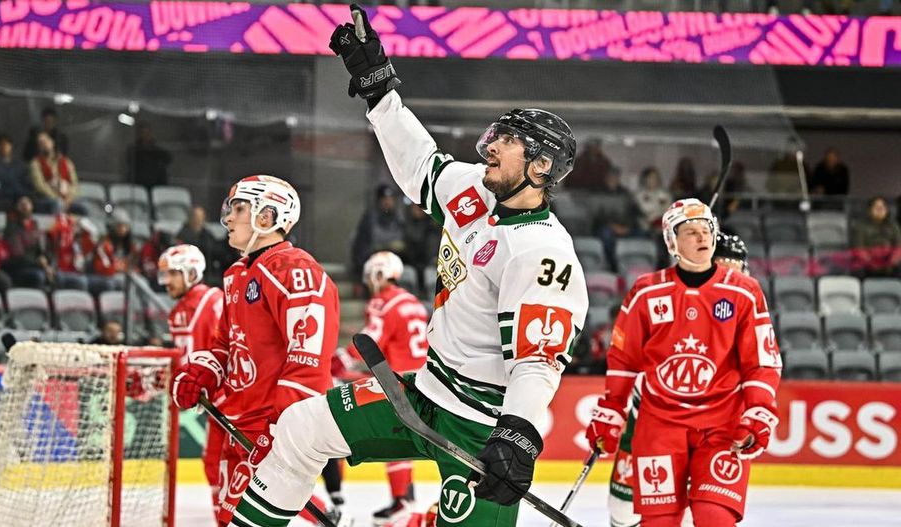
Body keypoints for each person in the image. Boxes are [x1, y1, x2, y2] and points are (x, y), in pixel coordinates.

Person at [226, 8, 589, 527]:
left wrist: (519, 436)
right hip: (422, 394)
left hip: (481, 428)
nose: (490, 145)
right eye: (497, 134)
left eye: (508, 141)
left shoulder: (541, 251)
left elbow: (538, 360)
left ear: (541, 166)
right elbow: (419, 162)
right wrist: (379, 92)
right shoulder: (472, 192)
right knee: (300, 429)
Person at [586, 199, 780, 527]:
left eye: (707, 230)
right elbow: (623, 359)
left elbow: (761, 360)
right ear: (671, 242)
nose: (702, 237)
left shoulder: (745, 292)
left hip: (722, 427)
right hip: (659, 426)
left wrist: (757, 409)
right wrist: (613, 408)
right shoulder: (647, 292)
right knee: (654, 520)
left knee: (714, 518)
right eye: (691, 231)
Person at [169, 174, 340, 526]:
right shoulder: (236, 275)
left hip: (272, 432)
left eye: (239, 208)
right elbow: (224, 345)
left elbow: (308, 362)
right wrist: (203, 371)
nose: (228, 218)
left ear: (268, 215)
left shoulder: (295, 270)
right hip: (237, 426)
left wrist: (280, 433)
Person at [604, 229, 750, 527]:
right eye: (723, 268)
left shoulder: (742, 304)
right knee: (624, 511)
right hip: (654, 422)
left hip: (712, 427)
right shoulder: (673, 297)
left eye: (736, 271)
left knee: (707, 507)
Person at [346, 251, 429, 525]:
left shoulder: (385, 301)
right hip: (424, 379)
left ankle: (402, 502)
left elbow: (371, 340)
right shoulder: (413, 302)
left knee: (394, 438)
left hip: (399, 380)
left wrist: (341, 359)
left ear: (379, 273)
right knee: (405, 438)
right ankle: (406, 498)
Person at [158, 243, 225, 518]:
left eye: (173, 274)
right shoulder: (177, 313)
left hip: (235, 397)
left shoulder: (215, 300)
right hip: (217, 403)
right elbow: (182, 359)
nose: (166, 282)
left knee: (255, 466)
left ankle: (325, 513)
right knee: (214, 464)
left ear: (191, 272)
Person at [350, 183, 406, 289]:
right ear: (379, 201)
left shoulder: (399, 218)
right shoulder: (369, 218)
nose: (387, 202)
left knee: (408, 274)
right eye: (384, 199)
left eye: (390, 199)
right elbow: (360, 247)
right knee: (379, 272)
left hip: (396, 260)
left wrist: (402, 248)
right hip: (374, 260)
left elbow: (407, 244)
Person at [28, 131, 79, 214]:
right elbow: (40, 186)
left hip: (67, 198)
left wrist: (69, 197)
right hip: (46, 199)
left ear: (52, 142)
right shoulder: (35, 163)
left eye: (46, 141)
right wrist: (57, 196)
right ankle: (58, 226)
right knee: (58, 203)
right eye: (41, 143)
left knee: (85, 207)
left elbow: (75, 184)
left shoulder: (67, 162)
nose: (44, 145)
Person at [851, 196, 901, 277]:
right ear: (870, 210)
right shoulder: (861, 226)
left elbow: (898, 248)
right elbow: (859, 248)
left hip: (890, 263)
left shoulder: (894, 226)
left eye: (882, 207)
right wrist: (871, 262)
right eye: (876, 207)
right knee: (857, 267)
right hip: (868, 263)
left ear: (887, 210)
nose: (880, 210)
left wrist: (891, 261)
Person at [0, 133, 31, 212]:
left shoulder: (19, 166)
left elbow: (27, 185)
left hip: (18, 198)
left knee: (26, 204)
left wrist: (24, 197)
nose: (4, 147)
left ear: (11, 146)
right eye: (1, 145)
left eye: (7, 144)